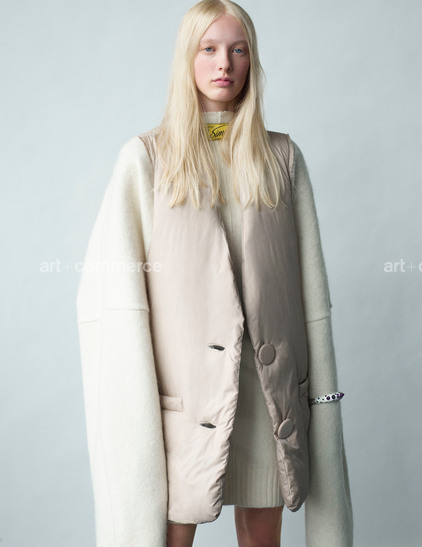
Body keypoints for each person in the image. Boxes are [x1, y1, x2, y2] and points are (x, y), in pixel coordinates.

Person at [76, 1, 353, 546]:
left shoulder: (282, 159)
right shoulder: (147, 159)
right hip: (185, 401)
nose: (224, 62)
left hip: (268, 398)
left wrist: (319, 396)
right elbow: (114, 290)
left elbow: (311, 294)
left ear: (251, 61)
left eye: (237, 49)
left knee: (262, 535)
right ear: (188, 57)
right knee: (170, 537)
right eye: (209, 48)